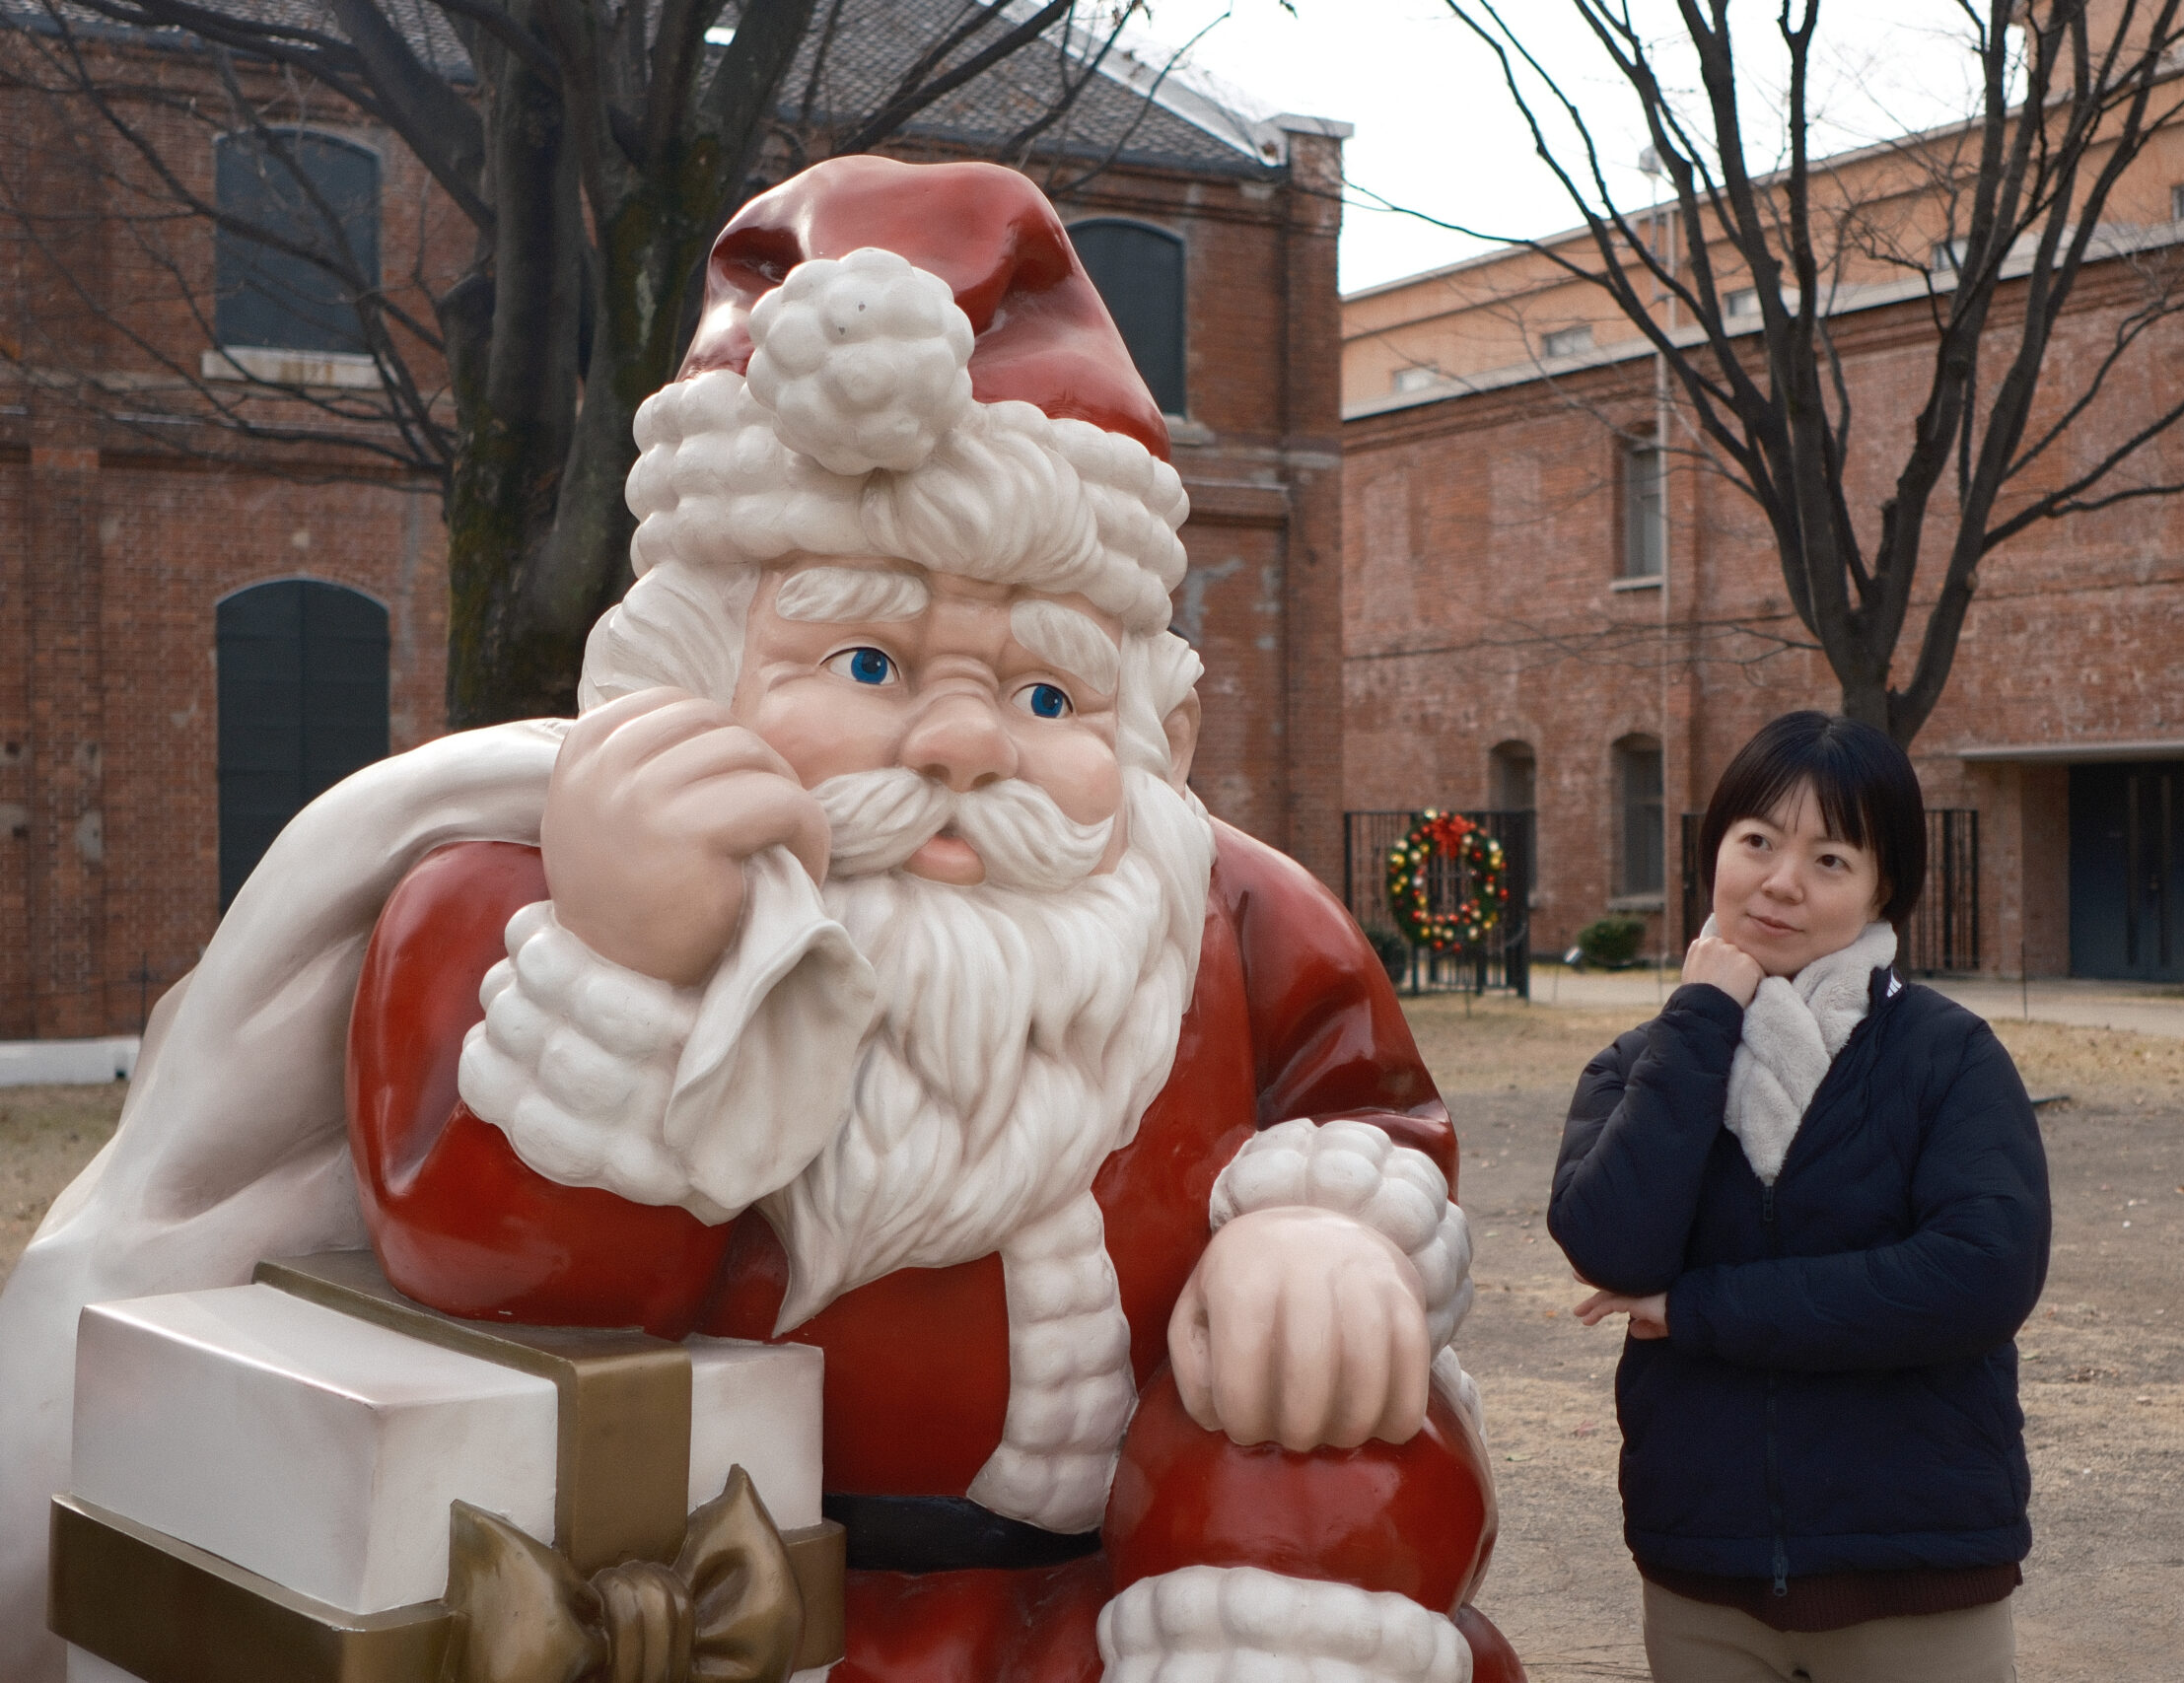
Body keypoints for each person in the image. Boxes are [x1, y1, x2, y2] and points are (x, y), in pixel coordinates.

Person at [0, 158, 1512, 1683]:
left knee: (1333, 1439)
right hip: (751, 1616)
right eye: (866, 660)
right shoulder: (522, 906)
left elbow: (1362, 1105)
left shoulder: (1224, 912)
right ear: (693, 658)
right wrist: (630, 967)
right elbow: (516, 1272)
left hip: (1130, 1614)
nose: (962, 743)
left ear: (1150, 726)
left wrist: (1323, 1226)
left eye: (1048, 691)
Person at [1550, 711, 2049, 1683]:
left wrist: (1699, 1309)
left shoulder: (1944, 1059)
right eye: (1757, 843)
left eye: (1829, 859)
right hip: (1704, 1580)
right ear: (1715, 852)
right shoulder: (1640, 1067)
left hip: (1917, 1575)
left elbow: (1976, 1278)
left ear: (1880, 888)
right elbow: (1610, 1248)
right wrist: (1700, 1020)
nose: (1781, 882)